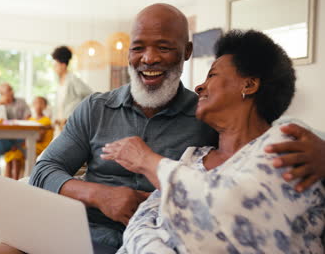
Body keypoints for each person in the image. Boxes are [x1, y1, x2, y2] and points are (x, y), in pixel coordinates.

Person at [0, 3, 325, 253]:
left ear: (186, 52)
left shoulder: (208, 118)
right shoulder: (95, 108)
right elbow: (44, 171)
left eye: (163, 47)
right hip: (79, 230)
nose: (149, 58)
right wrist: (100, 195)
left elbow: (255, 140)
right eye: (138, 48)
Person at [102, 29, 324, 253]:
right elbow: (141, 220)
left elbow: (226, 208)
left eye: (212, 75)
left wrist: (147, 160)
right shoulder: (193, 156)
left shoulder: (289, 143)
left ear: (248, 85)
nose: (199, 87)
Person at [3, 96, 53, 179]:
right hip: (28, 144)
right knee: (11, 153)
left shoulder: (46, 120)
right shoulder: (31, 120)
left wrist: (20, 144)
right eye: (36, 103)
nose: (38, 105)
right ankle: (8, 180)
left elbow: (39, 138)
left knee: (16, 152)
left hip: (39, 146)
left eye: (41, 103)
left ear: (45, 106)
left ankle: (16, 181)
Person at [0, 83, 31, 174]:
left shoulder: (21, 102)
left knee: (28, 147)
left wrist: (17, 122)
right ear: (1, 94)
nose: (11, 92)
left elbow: (28, 117)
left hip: (20, 138)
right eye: (8, 91)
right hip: (6, 140)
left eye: (11, 89)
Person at [51, 46, 92, 131]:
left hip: (71, 124)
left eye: (55, 65)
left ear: (63, 65)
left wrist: (72, 115)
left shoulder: (73, 79)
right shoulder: (59, 82)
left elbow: (90, 95)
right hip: (60, 126)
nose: (54, 68)